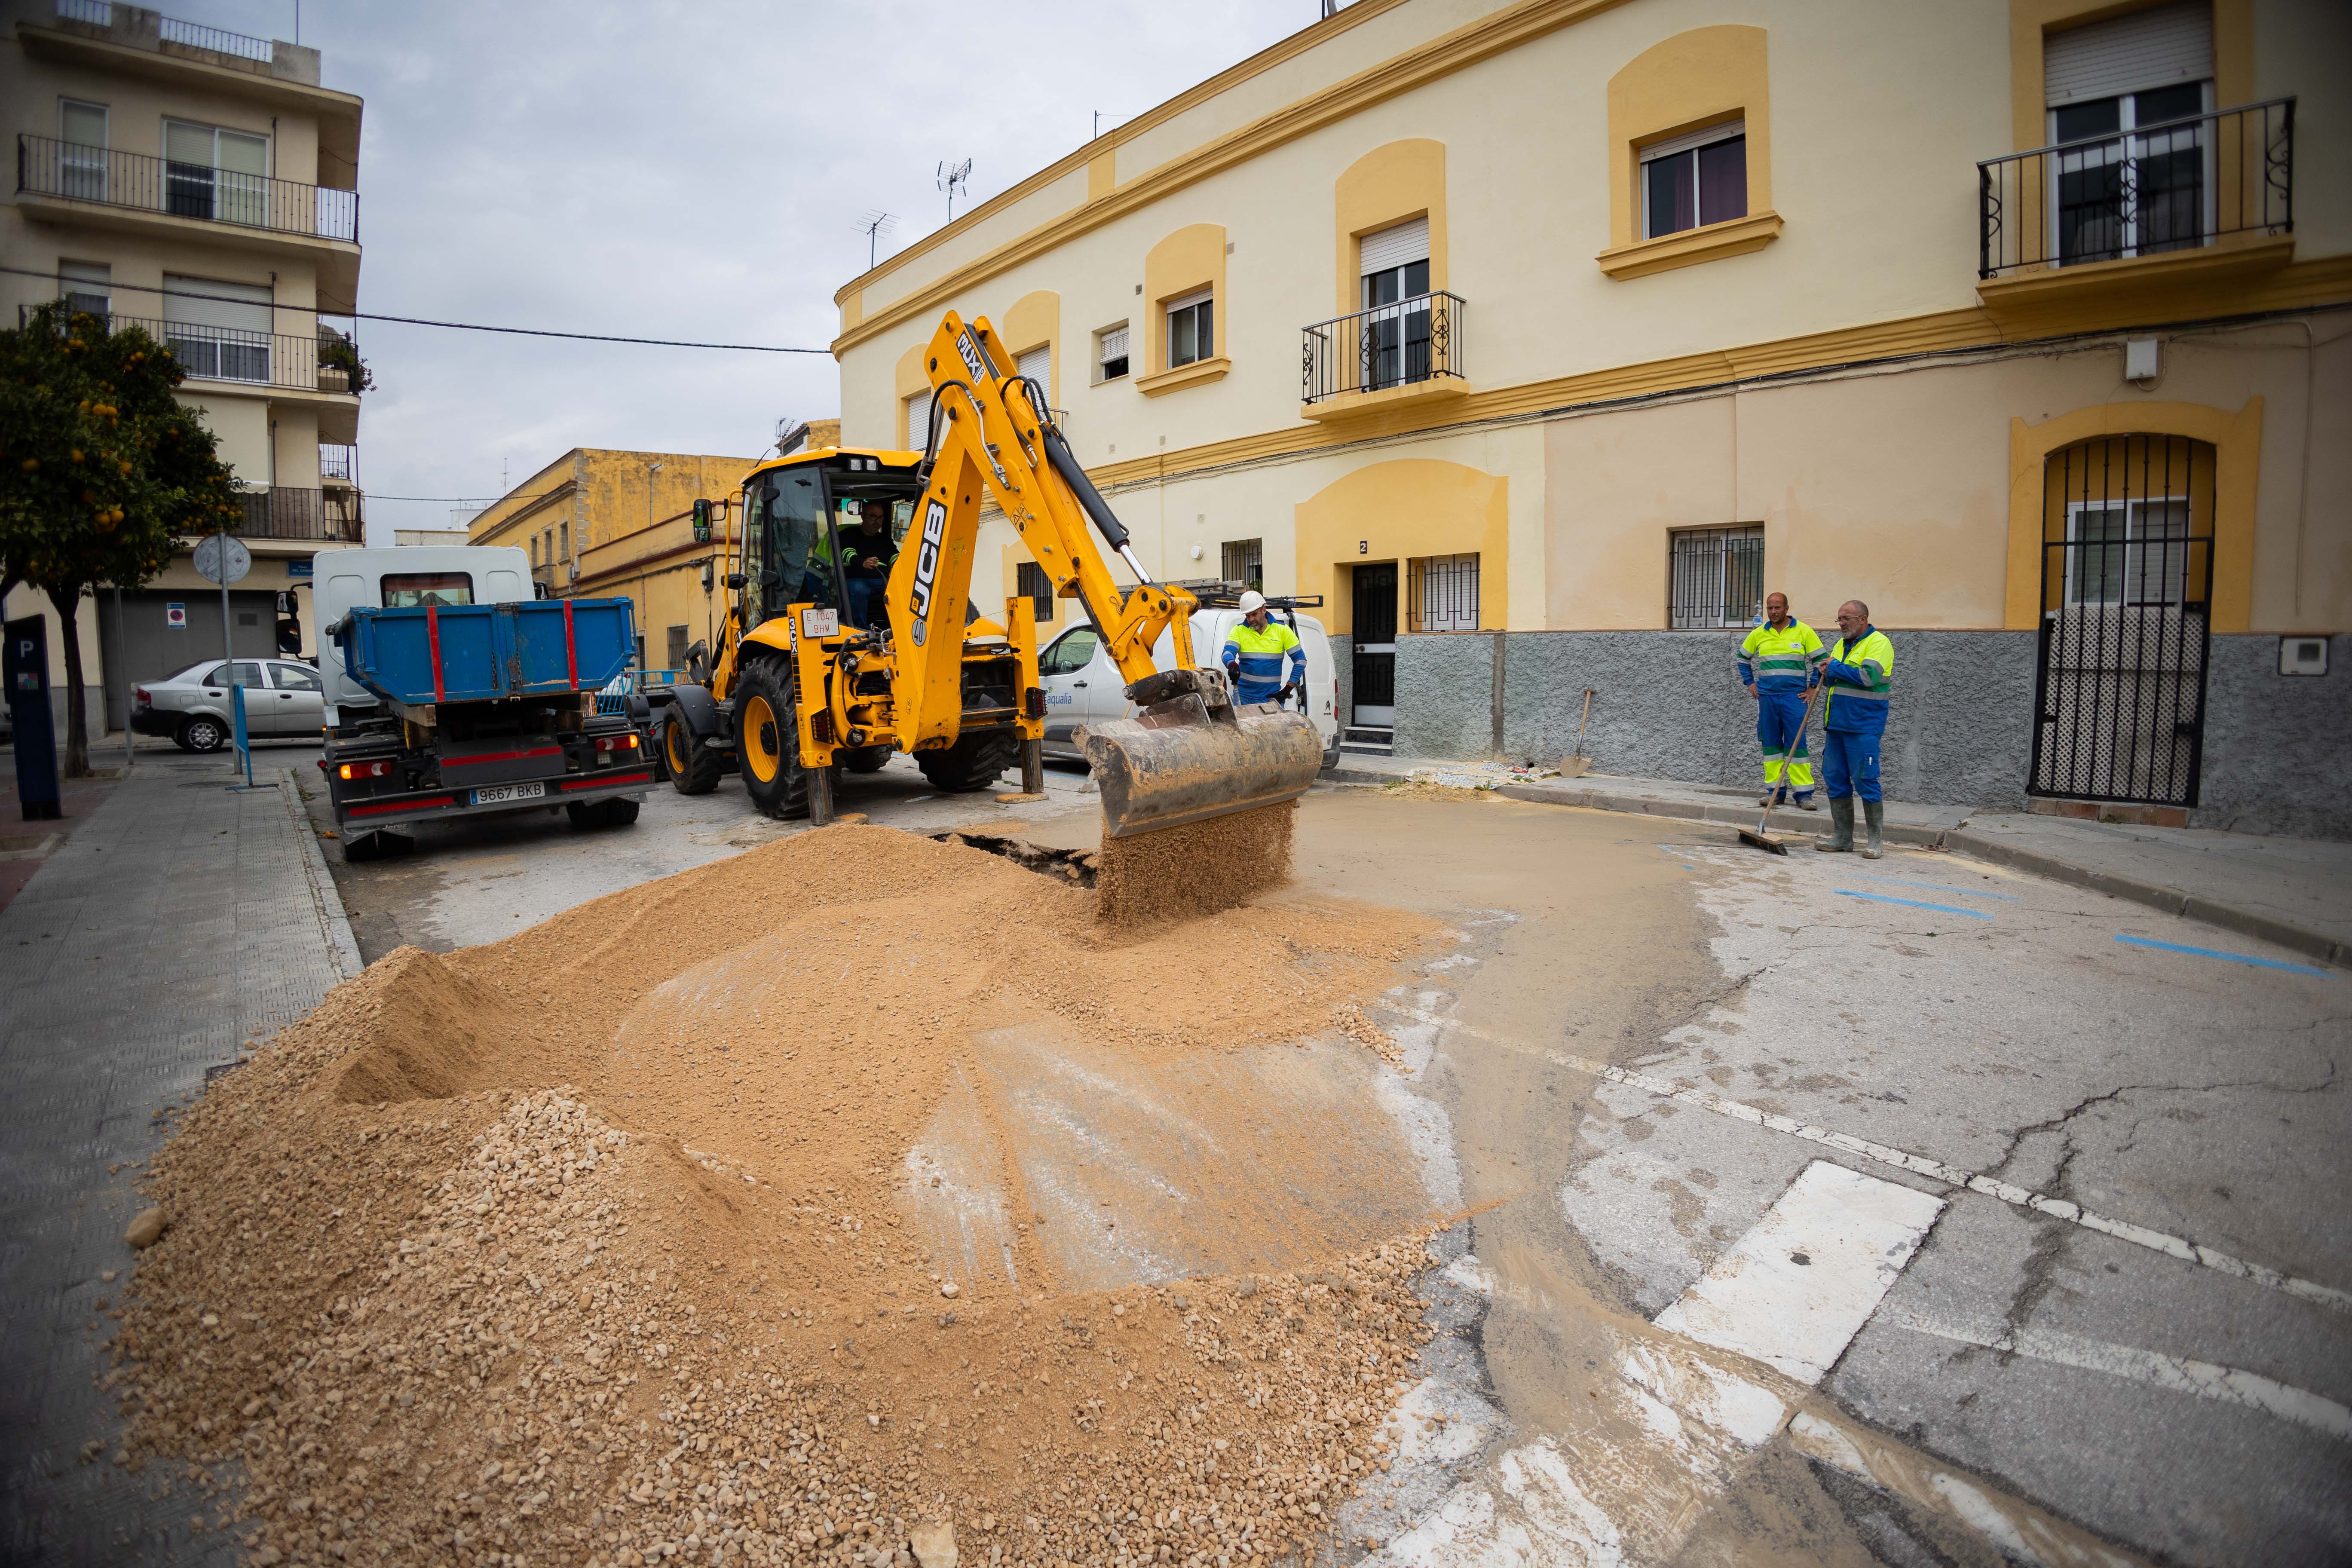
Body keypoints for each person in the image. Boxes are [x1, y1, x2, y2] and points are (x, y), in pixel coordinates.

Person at [1816, 598, 1895, 858]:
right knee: (1835, 779)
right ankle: (1842, 838)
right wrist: (1826, 671)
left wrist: (1835, 667)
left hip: (1863, 725)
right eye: (1839, 619)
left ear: (1863, 619)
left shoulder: (1879, 643)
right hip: (1837, 724)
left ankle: (1875, 841)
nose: (1841, 624)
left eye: (1845, 619)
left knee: (1865, 779)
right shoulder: (1842, 645)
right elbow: (1830, 679)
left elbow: (1868, 677)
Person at [1736, 591, 1824, 812]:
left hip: (1794, 698)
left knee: (1796, 744)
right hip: (1767, 698)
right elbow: (1742, 658)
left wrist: (1813, 688)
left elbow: (1821, 661)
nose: (1773, 612)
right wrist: (1750, 682)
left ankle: (1804, 795)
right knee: (1771, 745)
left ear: (1786, 608)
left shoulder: (1803, 631)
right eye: (1770, 608)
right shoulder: (1759, 634)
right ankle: (1775, 792)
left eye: (1777, 608)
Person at [1222, 590, 1305, 707]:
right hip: (1243, 699)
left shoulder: (1283, 630)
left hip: (1271, 701)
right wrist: (1232, 664)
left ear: (1264, 610)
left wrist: (1287, 691)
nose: (1251, 620)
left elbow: (1301, 660)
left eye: (1254, 614)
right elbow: (1227, 653)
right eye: (1248, 616)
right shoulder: (1239, 630)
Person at [840, 500, 898, 629]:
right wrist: (863, 563)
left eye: (880, 518)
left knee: (900, 590)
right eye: (873, 516)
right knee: (859, 590)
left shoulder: (885, 540)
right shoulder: (848, 534)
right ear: (863, 516)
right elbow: (848, 554)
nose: (877, 521)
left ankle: (894, 628)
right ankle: (860, 628)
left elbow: (895, 556)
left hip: (880, 581)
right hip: (855, 580)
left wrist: (902, 563)